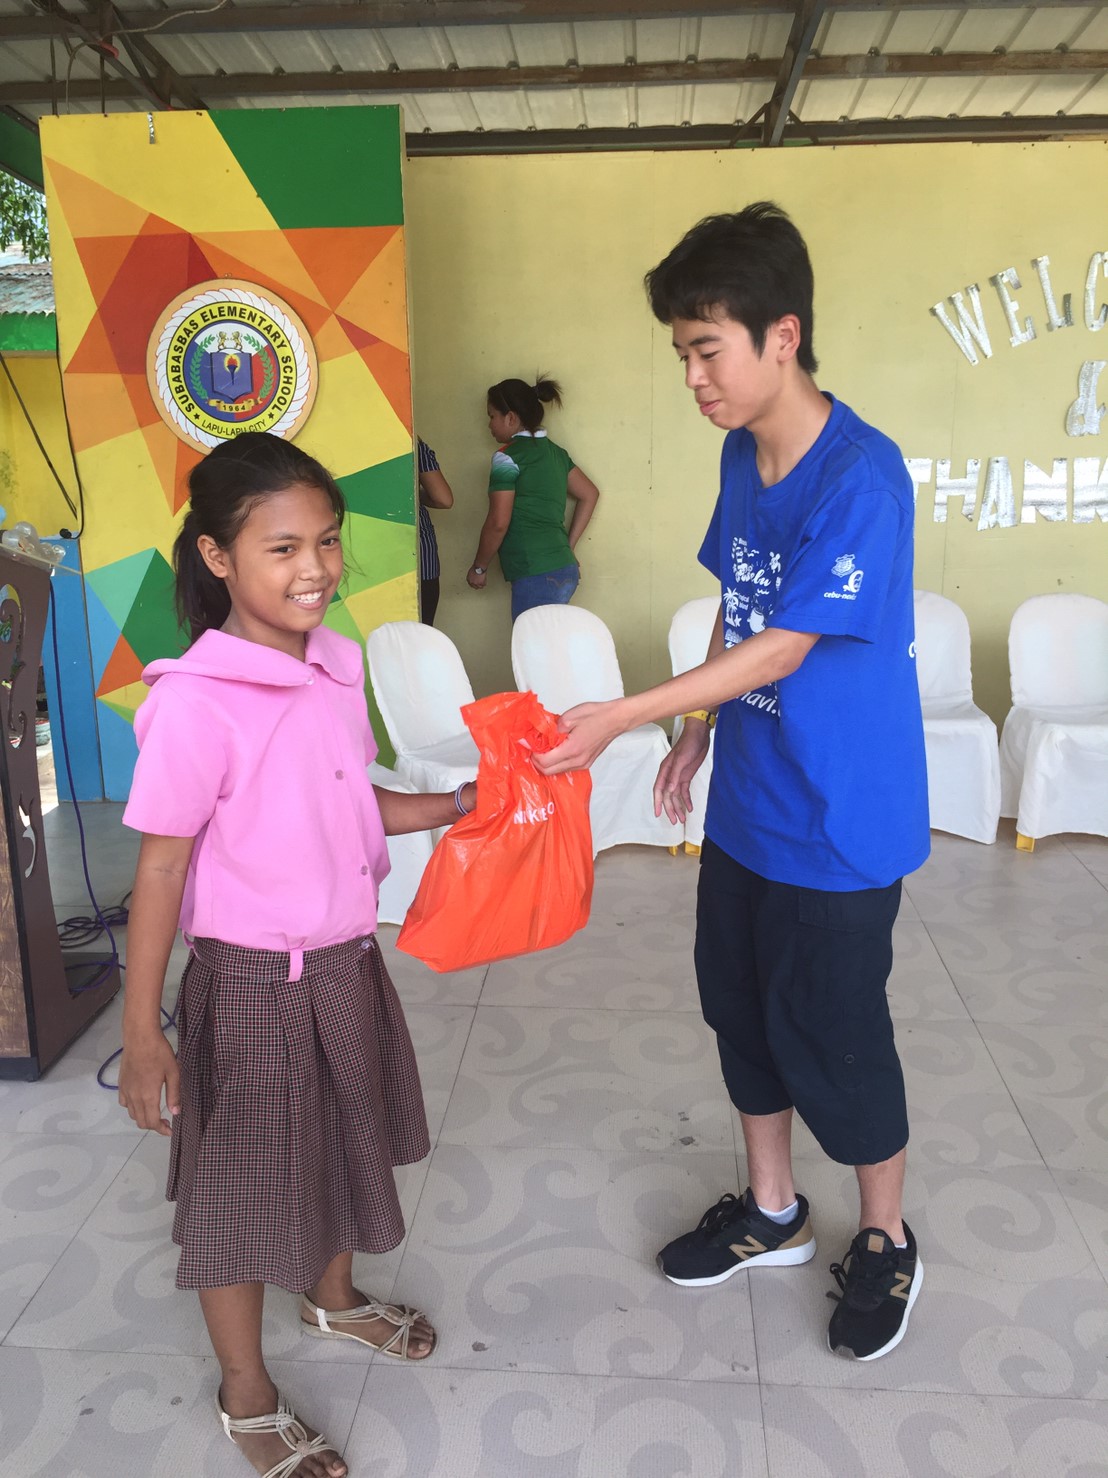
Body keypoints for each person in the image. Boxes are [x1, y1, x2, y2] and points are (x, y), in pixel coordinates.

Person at [537, 203, 930, 1363]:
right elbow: (739, 606)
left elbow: (787, 645)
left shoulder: (860, 477)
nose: (693, 378)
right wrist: (695, 727)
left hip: (840, 820)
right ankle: (772, 1211)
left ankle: (885, 1234)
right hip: (751, 807)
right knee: (742, 1015)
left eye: (707, 350)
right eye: (683, 353)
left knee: (838, 1037)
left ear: (782, 336)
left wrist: (621, 713)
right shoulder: (738, 451)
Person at [117, 432, 477, 1478]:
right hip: (248, 984)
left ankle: (332, 1299)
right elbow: (161, 869)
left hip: (343, 962)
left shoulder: (331, 665)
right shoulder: (194, 700)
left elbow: (351, 800)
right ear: (217, 556)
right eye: (281, 548)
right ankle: (246, 1393)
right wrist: (142, 1033)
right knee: (237, 1192)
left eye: (326, 540)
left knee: (344, 1136)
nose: (314, 567)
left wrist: (458, 803)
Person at [466, 375, 600, 620]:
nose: (489, 424)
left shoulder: (508, 457)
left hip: (535, 572)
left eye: (491, 416)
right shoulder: (556, 454)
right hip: (564, 568)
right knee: (548, 641)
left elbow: (498, 522)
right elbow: (590, 493)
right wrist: (568, 547)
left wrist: (479, 567)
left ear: (510, 417)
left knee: (531, 643)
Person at [417, 436, 453, 625]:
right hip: (419, 549)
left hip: (366, 545)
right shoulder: (413, 443)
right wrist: (416, 495)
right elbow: (443, 499)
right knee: (421, 629)